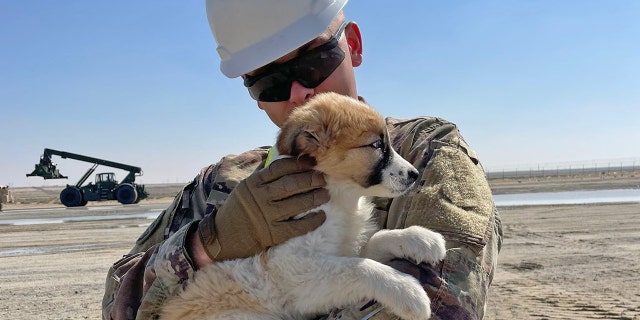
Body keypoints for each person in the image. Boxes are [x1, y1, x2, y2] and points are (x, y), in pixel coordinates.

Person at [102, 0, 503, 319]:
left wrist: (367, 264)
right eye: (269, 81)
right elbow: (118, 300)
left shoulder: (427, 151)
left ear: (354, 46)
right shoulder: (220, 181)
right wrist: (205, 245)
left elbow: (433, 306)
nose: (298, 93)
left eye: (314, 61)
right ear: (254, 96)